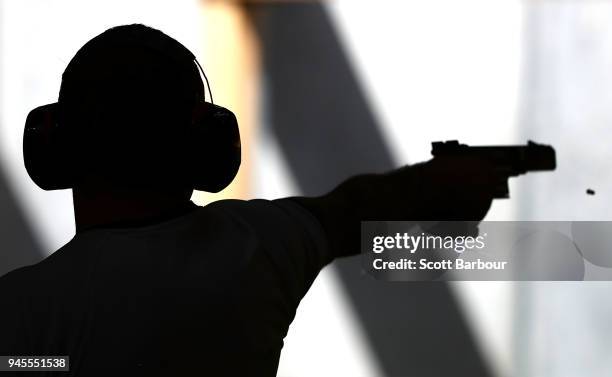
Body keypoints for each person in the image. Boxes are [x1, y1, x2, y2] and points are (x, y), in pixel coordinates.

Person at [0, 24, 497, 376]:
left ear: (55, 147)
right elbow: (357, 207)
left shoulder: (27, 315)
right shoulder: (257, 250)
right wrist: (447, 182)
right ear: (205, 145)